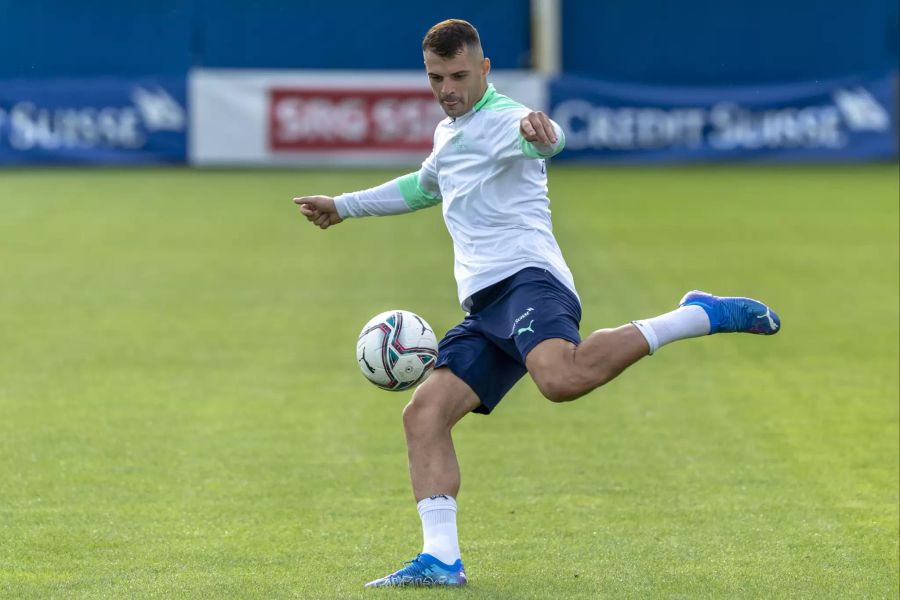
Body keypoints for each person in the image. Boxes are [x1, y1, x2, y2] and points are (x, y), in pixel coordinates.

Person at [294, 19, 780, 588]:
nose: (447, 88)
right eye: (436, 77)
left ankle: (697, 314)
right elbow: (424, 187)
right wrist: (343, 206)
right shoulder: (449, 134)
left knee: (560, 378)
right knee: (423, 415)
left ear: (485, 68)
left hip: (530, 281)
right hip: (485, 307)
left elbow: (545, 140)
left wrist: (544, 135)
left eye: (458, 75)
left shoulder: (504, 120)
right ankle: (441, 559)